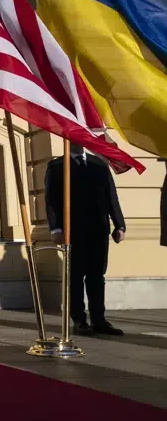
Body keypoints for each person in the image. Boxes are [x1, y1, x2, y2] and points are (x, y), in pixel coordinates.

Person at [45, 143, 126, 336]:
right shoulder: (57, 166)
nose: (79, 142)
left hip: (98, 228)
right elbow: (51, 199)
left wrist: (120, 225)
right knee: (75, 276)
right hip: (73, 230)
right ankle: (79, 320)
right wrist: (55, 228)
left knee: (97, 276)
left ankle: (99, 320)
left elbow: (111, 195)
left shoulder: (99, 164)